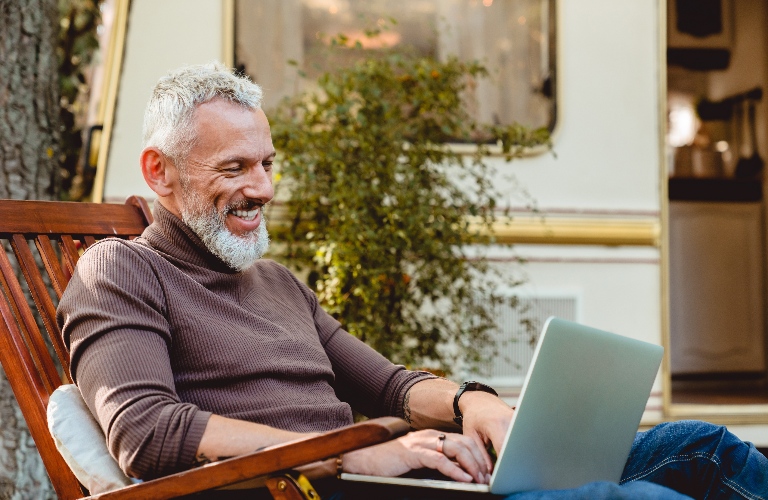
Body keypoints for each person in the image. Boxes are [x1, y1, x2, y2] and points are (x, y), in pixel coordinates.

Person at [57, 63, 767, 500]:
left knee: (705, 444)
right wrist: (358, 452)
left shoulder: (273, 281)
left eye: (267, 163)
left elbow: (392, 386)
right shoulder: (120, 272)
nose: (264, 188)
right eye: (235, 168)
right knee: (648, 498)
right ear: (160, 172)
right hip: (326, 488)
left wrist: (471, 404)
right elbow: (147, 432)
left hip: (398, 473)